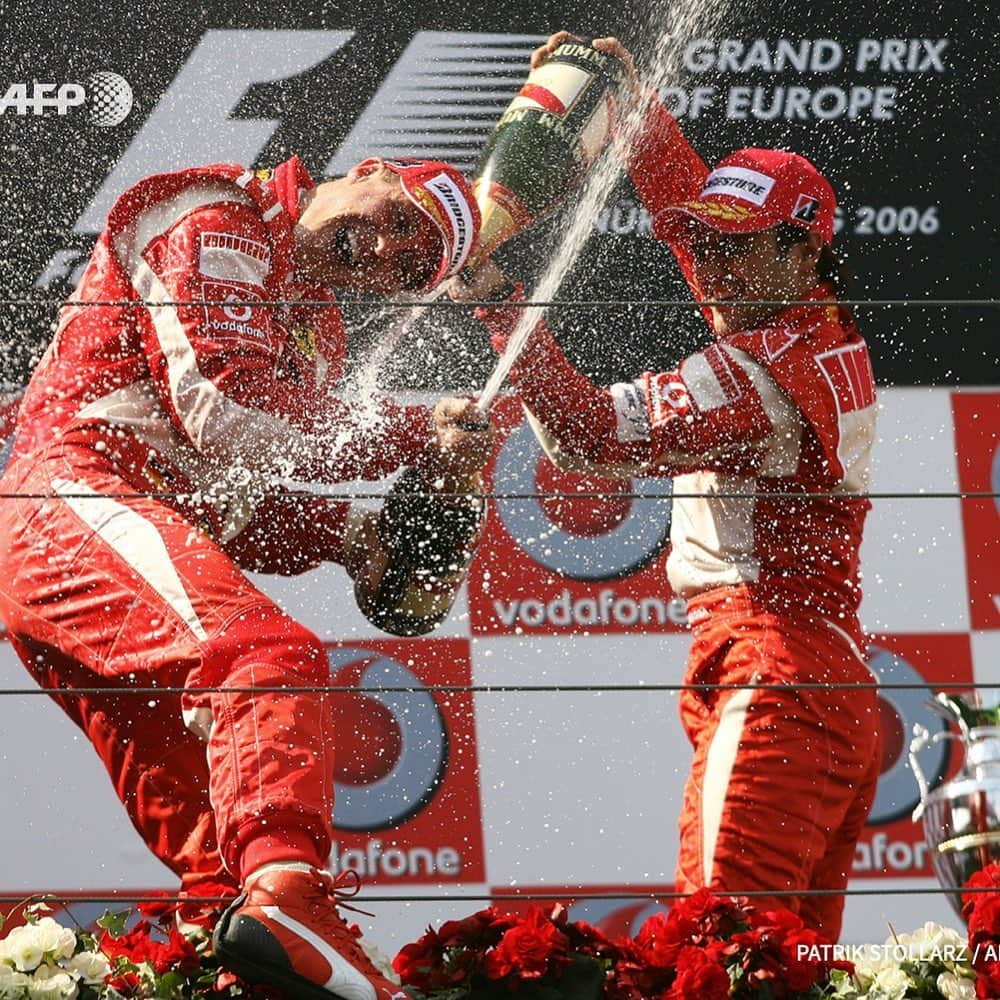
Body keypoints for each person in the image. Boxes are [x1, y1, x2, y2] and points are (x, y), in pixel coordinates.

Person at [0, 152, 490, 1000]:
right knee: (266, 655)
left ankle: (253, 947)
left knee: (220, 870)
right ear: (370, 169)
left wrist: (355, 537)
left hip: (103, 543)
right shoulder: (219, 213)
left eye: (406, 265)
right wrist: (416, 432)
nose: (382, 251)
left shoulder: (319, 336)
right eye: (399, 218)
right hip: (66, 497)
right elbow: (228, 408)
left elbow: (226, 503)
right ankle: (297, 899)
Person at [457, 32, 880, 941]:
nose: (712, 266)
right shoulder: (817, 326)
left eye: (739, 249)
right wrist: (632, 111)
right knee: (786, 970)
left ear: (805, 256)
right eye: (705, 243)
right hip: (830, 687)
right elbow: (696, 244)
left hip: (772, 676)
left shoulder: (758, 380)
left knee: (712, 948)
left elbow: (580, 436)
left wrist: (493, 293)